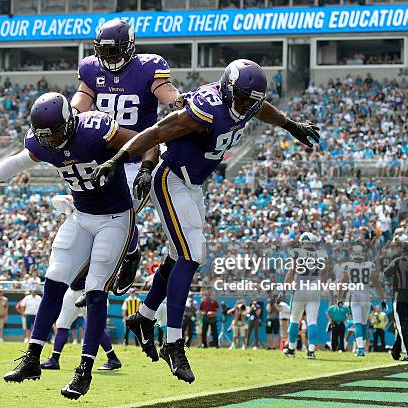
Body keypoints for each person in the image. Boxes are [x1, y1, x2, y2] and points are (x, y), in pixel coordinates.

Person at [91, 58, 320, 382]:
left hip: (191, 184)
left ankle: (143, 317)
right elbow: (156, 132)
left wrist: (291, 125)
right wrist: (118, 159)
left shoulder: (248, 101)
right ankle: (173, 342)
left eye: (249, 100)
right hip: (170, 177)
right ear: (228, 91)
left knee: (177, 257)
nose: (245, 106)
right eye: (240, 99)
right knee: (192, 254)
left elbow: (262, 107)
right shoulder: (206, 109)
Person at [0, 92, 158, 399]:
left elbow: (147, 139)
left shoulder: (96, 129)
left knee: (94, 290)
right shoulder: (43, 141)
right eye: (45, 135)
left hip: (115, 217)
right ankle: (33, 358)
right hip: (81, 215)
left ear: (70, 121)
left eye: (56, 132)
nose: (52, 140)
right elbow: (20, 161)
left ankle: (84, 371)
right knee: (53, 282)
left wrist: (145, 169)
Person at [68, 18, 182, 296]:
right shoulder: (91, 69)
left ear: (130, 47)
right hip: (104, 152)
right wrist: (67, 116)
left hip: (140, 151)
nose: (109, 58)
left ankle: (126, 258)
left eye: (115, 51)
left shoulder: (148, 67)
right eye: (104, 52)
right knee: (95, 208)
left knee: (120, 209)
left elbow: (168, 95)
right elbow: (81, 102)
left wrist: (181, 103)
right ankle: (123, 255)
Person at [40, 281, 122, 372]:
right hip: (72, 290)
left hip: (89, 290)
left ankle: (113, 358)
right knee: (62, 323)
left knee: (95, 326)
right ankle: (54, 359)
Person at [283, 233, 330, 359]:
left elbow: (291, 272)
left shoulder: (297, 253)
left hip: (300, 288)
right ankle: (311, 350)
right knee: (312, 321)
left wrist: (283, 289)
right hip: (314, 290)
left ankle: (292, 349)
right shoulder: (321, 255)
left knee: (294, 319)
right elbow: (325, 274)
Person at [338, 244, 387, 357]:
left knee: (357, 323)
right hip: (366, 296)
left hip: (354, 295)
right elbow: (376, 284)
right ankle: (362, 348)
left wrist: (339, 298)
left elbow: (343, 284)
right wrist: (383, 298)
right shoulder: (369, 265)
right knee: (364, 323)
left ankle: (360, 349)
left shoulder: (348, 266)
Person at [383, 242, 408, 361]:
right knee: (403, 326)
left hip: (400, 297)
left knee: (402, 325)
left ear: (402, 250)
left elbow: (386, 273)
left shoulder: (398, 261)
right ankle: (396, 351)